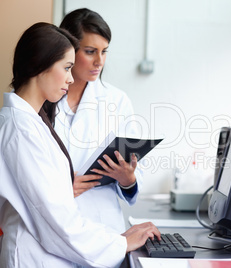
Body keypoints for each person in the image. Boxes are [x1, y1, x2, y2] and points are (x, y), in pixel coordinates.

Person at [0, 22, 160, 267]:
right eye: (66, 67)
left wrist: (115, 238)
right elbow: (55, 218)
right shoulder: (21, 129)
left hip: (70, 245)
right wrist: (120, 243)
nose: (70, 78)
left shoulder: (30, 123)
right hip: (38, 255)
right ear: (40, 64)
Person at [55, 8, 141, 234]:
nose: (99, 61)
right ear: (68, 50)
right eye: (91, 51)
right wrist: (56, 188)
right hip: (52, 223)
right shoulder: (43, 99)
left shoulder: (117, 101)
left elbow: (132, 179)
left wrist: (128, 179)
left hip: (102, 227)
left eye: (104, 51)